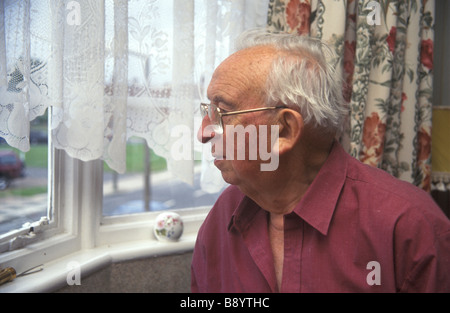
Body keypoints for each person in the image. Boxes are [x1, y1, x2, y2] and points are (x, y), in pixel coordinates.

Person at [191, 29, 450, 293]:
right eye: (207, 111)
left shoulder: (410, 228)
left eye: (222, 113)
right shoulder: (225, 215)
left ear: (284, 130)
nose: (203, 133)